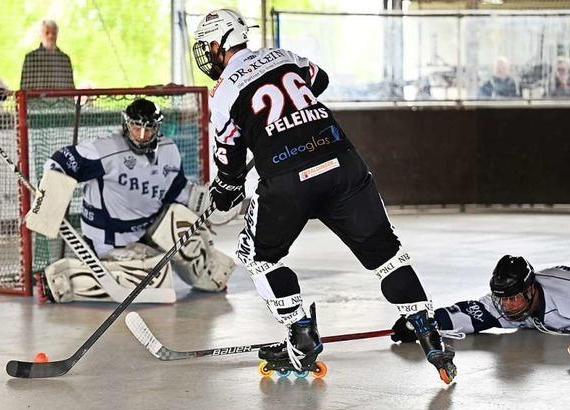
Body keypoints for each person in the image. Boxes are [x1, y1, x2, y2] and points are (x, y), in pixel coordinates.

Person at [192, 9, 456, 383]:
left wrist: (227, 188)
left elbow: (229, 158)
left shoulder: (222, 92)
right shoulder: (282, 56)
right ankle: (430, 335)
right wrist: (293, 119)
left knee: (258, 257)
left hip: (287, 179)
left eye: (207, 46)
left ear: (220, 44)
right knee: (386, 255)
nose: (206, 54)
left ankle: (300, 339)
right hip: (342, 163)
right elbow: (321, 79)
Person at [24, 98, 235, 303]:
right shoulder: (106, 149)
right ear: (126, 125)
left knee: (185, 223)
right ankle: (61, 281)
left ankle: (206, 275)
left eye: (149, 128)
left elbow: (177, 191)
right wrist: (50, 193)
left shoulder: (168, 150)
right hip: (108, 240)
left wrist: (212, 202)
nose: (142, 136)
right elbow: (61, 160)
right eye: (136, 128)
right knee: (153, 280)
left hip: (146, 231)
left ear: (157, 128)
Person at [391, 255, 570, 343]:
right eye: (502, 299)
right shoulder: (503, 303)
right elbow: (468, 314)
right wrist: (421, 325)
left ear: (531, 290)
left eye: (513, 298)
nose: (506, 306)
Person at [20, 20, 74, 90]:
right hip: (37, 100)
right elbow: (24, 89)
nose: (51, 36)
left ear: (57, 35)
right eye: (47, 33)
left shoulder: (65, 60)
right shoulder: (31, 58)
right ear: (41, 35)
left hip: (61, 100)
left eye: (54, 33)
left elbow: (70, 89)